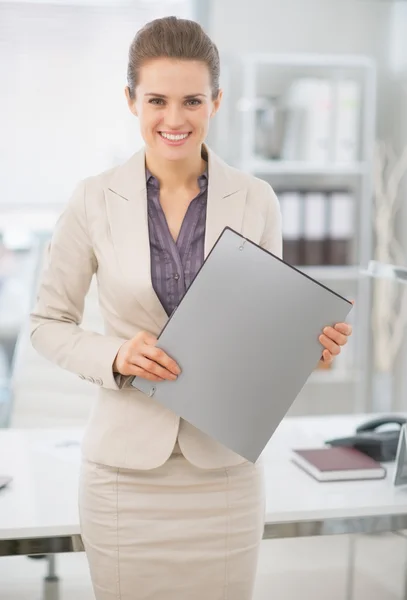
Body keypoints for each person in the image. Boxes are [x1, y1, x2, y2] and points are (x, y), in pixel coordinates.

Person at [29, 16, 353, 600]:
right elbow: (47, 325)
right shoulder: (92, 199)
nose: (174, 119)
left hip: (224, 474)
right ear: (131, 100)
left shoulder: (256, 199)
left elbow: (257, 333)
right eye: (156, 99)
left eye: (192, 101)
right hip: (125, 477)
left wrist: (308, 343)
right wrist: (116, 355)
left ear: (217, 101)